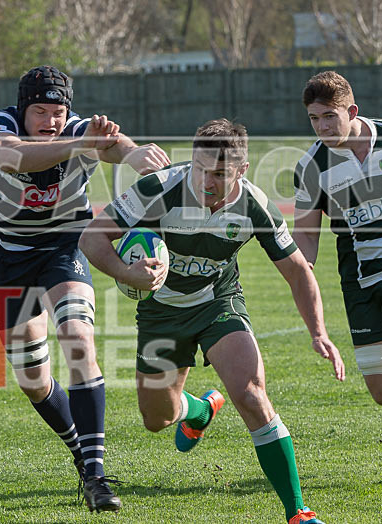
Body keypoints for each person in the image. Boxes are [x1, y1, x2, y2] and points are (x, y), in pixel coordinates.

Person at [79, 118, 344, 524]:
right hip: (161, 311)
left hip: (218, 304)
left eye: (220, 173)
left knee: (253, 395)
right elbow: (92, 237)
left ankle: (298, 512)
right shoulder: (159, 188)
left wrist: (319, 332)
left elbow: (297, 270)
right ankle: (199, 411)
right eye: (201, 169)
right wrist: (128, 274)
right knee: (157, 418)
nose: (207, 181)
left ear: (242, 169)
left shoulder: (254, 205)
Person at [0, 64, 171, 512]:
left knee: (78, 340)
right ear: (23, 110)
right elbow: (14, 156)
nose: (50, 120)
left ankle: (96, 474)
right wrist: (82, 143)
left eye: (58, 111)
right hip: (6, 256)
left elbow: (114, 145)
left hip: (64, 246)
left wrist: (134, 154)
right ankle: (81, 453)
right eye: (40, 111)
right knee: (31, 379)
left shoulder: (80, 129)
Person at [292, 71, 382, 487]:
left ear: (351, 112)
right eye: (314, 119)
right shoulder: (312, 164)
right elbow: (304, 235)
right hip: (360, 284)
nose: (321, 127)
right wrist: (299, 271)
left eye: (328, 117)